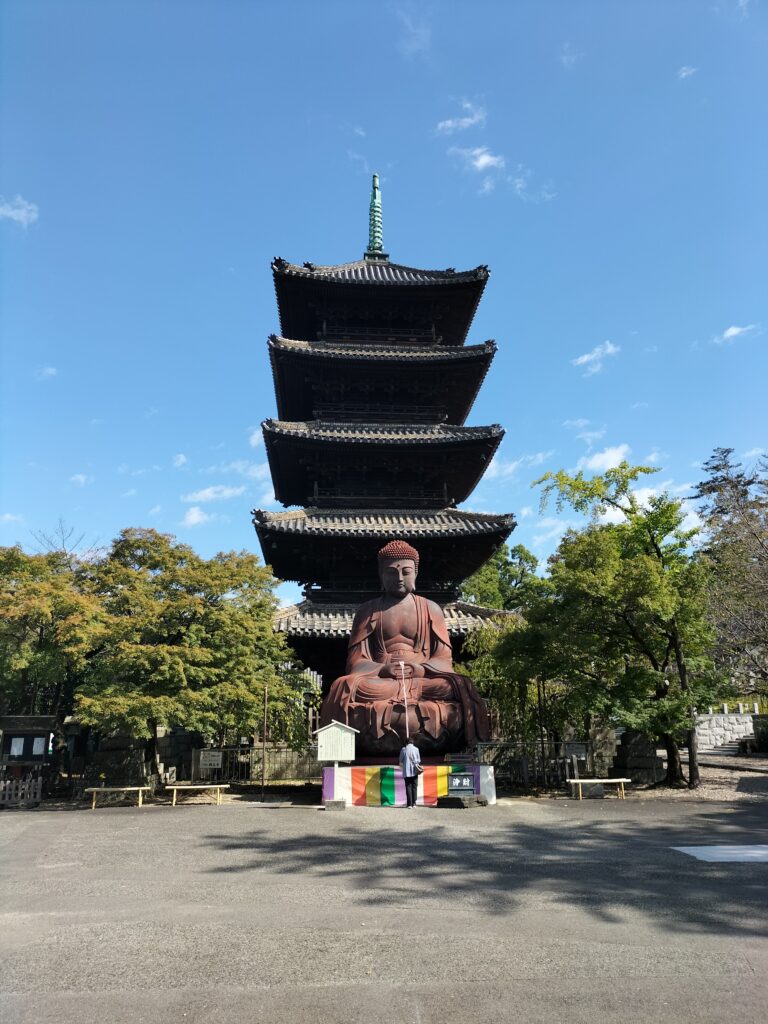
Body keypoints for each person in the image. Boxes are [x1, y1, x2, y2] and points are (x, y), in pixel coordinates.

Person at [319, 539, 490, 755]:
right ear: (381, 575)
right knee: (344, 685)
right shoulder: (368, 611)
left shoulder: (431, 609)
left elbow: (444, 658)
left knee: (456, 685)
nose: (399, 578)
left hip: (422, 681)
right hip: (382, 683)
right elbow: (356, 661)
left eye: (406, 572)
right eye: (391, 572)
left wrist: (421, 669)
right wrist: (382, 669)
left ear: (415, 574)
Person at [399, 736, 421, 808]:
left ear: (406, 742)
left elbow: (401, 759)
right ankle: (414, 803)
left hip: (407, 771)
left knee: (408, 786)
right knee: (414, 786)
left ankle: (409, 804)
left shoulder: (404, 749)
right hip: (415, 770)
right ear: (412, 742)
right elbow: (419, 760)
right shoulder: (416, 749)